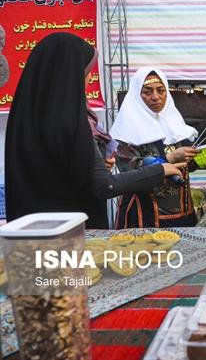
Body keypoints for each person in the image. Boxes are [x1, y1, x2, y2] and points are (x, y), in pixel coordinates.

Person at [4, 33, 185, 228]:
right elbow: (103, 186)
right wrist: (160, 169)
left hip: (29, 235)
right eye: (86, 71)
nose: (90, 78)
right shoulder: (71, 122)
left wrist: (91, 166)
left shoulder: (26, 117)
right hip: (71, 236)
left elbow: (54, 173)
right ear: (69, 74)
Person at [110, 67, 199, 228]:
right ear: (137, 95)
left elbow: (188, 165)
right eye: (147, 92)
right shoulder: (127, 130)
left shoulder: (174, 124)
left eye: (161, 90)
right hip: (144, 216)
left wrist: (204, 156)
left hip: (182, 211)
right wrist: (170, 158)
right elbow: (129, 170)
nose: (156, 97)